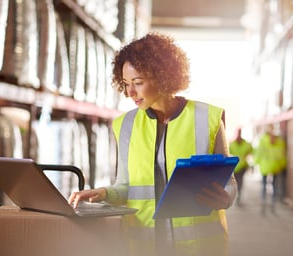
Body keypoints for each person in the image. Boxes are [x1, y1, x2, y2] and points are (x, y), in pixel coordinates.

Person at [68, 32, 237, 256]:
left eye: (138, 83)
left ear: (162, 76)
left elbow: (229, 183)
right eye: (126, 84)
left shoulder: (207, 118)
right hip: (144, 245)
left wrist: (225, 198)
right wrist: (103, 193)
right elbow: (126, 187)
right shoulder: (125, 125)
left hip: (199, 247)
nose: (130, 93)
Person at [253, 124, 287, 213]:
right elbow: (282, 154)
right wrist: (282, 165)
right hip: (275, 166)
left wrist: (256, 162)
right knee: (274, 185)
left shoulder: (263, 140)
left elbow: (259, 153)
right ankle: (273, 203)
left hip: (265, 166)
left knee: (264, 185)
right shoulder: (279, 141)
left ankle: (263, 201)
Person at [228, 127, 252, 205]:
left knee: (240, 182)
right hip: (234, 167)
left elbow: (250, 152)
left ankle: (239, 196)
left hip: (242, 166)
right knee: (235, 182)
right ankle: (235, 196)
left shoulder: (246, 144)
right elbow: (227, 153)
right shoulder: (232, 144)